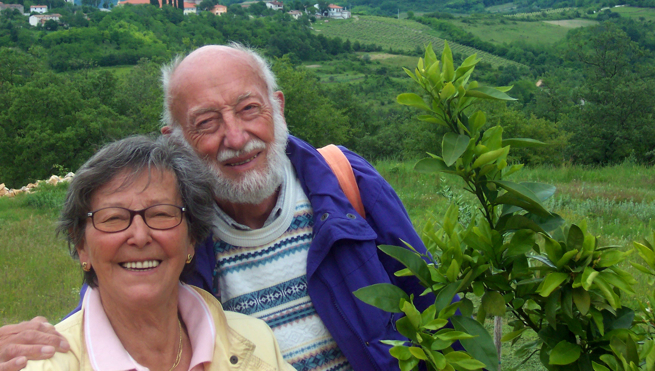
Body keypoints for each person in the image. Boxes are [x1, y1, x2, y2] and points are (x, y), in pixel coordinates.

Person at [1, 44, 439, 371]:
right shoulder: (173, 230)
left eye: (249, 109)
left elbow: (437, 305)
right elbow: (111, 310)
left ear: (278, 107)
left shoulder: (346, 180)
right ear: (175, 139)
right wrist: (30, 346)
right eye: (206, 123)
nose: (235, 137)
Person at [21, 135, 293, 371]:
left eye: (161, 214)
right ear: (82, 246)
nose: (140, 236)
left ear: (191, 240)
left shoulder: (256, 343)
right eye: (113, 218)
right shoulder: (42, 364)